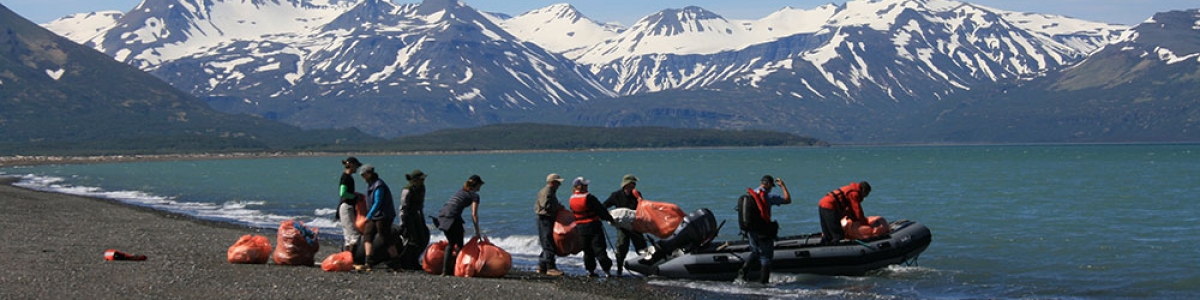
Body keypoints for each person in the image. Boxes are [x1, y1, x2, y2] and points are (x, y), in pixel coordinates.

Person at [737, 175, 791, 284]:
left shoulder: (751, 194)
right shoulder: (768, 196)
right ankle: (764, 283)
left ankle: (744, 271)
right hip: (763, 230)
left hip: (750, 229)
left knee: (755, 252)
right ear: (769, 184)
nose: (772, 188)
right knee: (766, 257)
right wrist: (783, 186)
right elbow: (787, 200)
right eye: (772, 186)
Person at [436, 174, 484, 276]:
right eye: (480, 185)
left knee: (451, 243)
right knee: (459, 244)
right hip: (452, 217)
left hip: (442, 215)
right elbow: (474, 214)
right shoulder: (474, 195)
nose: (480, 187)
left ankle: (445, 271)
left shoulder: (461, 191)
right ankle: (456, 269)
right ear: (477, 185)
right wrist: (477, 232)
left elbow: (454, 206)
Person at [602, 174, 648, 276]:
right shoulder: (616, 195)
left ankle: (646, 268)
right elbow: (604, 206)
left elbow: (643, 208)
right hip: (623, 227)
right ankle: (619, 270)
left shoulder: (637, 194)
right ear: (625, 184)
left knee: (641, 247)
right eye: (632, 183)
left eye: (634, 184)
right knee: (622, 246)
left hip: (636, 226)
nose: (633, 186)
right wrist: (606, 217)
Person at [570, 177, 615, 277]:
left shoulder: (572, 198)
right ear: (579, 186)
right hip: (593, 225)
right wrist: (609, 218)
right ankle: (607, 270)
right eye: (585, 185)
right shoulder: (589, 197)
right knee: (599, 248)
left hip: (581, 227)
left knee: (587, 250)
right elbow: (600, 209)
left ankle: (590, 271)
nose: (587, 187)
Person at [358, 164, 400, 271]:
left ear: (369, 174)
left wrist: (369, 216)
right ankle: (368, 262)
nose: (363, 177)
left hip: (383, 215)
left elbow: (378, 202)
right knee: (367, 235)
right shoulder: (371, 184)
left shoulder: (379, 185)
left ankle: (396, 263)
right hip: (374, 215)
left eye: (364, 175)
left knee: (386, 238)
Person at [396, 169, 430, 270]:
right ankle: (407, 262)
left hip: (416, 215)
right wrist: (403, 222)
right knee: (412, 239)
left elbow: (421, 205)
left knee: (421, 238)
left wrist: (422, 219)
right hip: (407, 215)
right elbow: (403, 207)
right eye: (421, 179)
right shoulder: (407, 190)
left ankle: (414, 260)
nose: (423, 181)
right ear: (415, 180)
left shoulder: (422, 188)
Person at [534, 173, 566, 276]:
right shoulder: (547, 191)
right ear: (552, 183)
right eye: (558, 183)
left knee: (547, 242)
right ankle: (550, 268)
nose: (559, 185)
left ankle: (542, 266)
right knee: (548, 242)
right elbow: (545, 206)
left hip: (546, 219)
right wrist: (557, 207)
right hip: (545, 219)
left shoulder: (549, 191)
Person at [336, 157, 362, 252]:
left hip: (345, 207)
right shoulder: (346, 177)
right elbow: (342, 193)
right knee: (354, 235)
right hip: (346, 207)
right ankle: (352, 258)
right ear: (351, 165)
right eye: (356, 166)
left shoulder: (347, 177)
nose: (357, 168)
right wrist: (354, 197)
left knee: (348, 236)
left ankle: (347, 258)